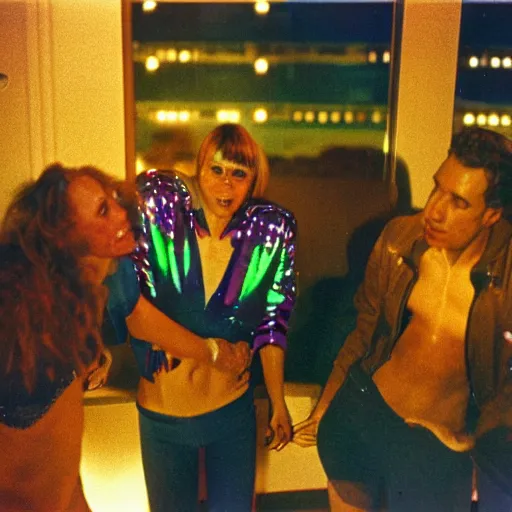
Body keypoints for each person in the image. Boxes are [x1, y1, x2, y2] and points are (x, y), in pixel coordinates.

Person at [0, 163, 249, 512]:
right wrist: (213, 351)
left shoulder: (97, 282)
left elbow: (134, 311)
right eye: (103, 210)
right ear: (65, 239)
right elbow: (27, 478)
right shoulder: (29, 334)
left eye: (114, 198)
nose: (121, 212)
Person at [293, 127, 512, 512]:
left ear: (491, 213)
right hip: (361, 414)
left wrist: (476, 443)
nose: (435, 210)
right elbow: (364, 329)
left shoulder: (506, 276)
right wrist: (326, 405)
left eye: (459, 201)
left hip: (437, 447)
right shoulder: (400, 237)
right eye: (437, 188)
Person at [106, 123, 297, 511]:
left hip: (231, 415)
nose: (226, 185)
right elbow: (128, 307)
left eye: (239, 174)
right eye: (217, 170)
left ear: (254, 180)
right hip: (164, 420)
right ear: (199, 171)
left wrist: (278, 402)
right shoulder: (161, 218)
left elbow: (274, 320)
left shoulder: (270, 234)